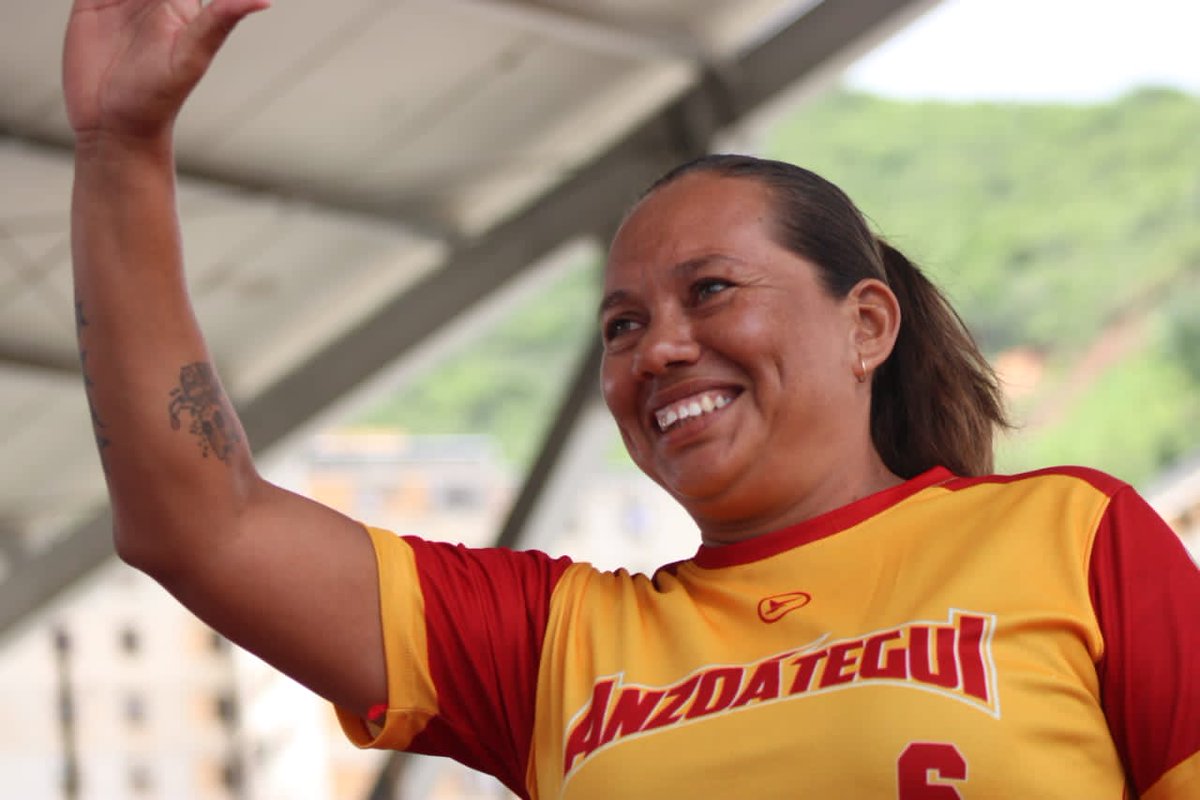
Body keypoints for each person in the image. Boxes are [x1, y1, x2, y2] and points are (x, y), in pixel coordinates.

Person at [64, 2, 1200, 798]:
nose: (660, 349)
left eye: (710, 291)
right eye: (620, 325)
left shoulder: (1072, 536)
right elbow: (201, 524)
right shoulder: (556, 644)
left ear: (866, 324)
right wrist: (122, 145)